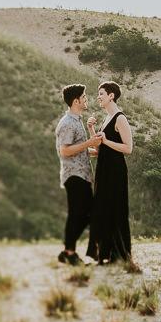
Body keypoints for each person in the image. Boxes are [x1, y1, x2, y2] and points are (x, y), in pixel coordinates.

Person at [86, 80, 136, 268]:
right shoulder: (106, 119)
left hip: (115, 172)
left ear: (111, 96)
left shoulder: (119, 118)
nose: (98, 97)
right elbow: (99, 150)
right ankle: (103, 255)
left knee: (114, 210)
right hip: (103, 170)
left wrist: (105, 142)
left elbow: (128, 148)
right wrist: (90, 130)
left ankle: (118, 255)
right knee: (101, 211)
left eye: (101, 93)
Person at [54, 84, 104, 265]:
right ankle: (69, 252)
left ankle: (73, 251)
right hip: (74, 176)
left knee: (86, 214)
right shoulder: (67, 123)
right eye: (84, 96)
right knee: (79, 215)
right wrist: (89, 143)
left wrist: (94, 150)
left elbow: (78, 150)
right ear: (76, 101)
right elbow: (65, 151)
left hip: (82, 175)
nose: (86, 99)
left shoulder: (76, 121)